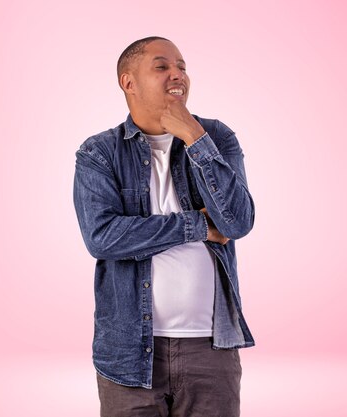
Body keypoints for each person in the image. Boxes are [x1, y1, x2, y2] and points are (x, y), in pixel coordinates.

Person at [73, 36, 255, 417]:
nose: (178, 74)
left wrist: (194, 137)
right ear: (128, 82)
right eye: (162, 66)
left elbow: (237, 221)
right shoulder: (100, 152)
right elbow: (102, 237)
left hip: (211, 348)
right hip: (128, 353)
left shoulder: (216, 137)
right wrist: (198, 225)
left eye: (183, 66)